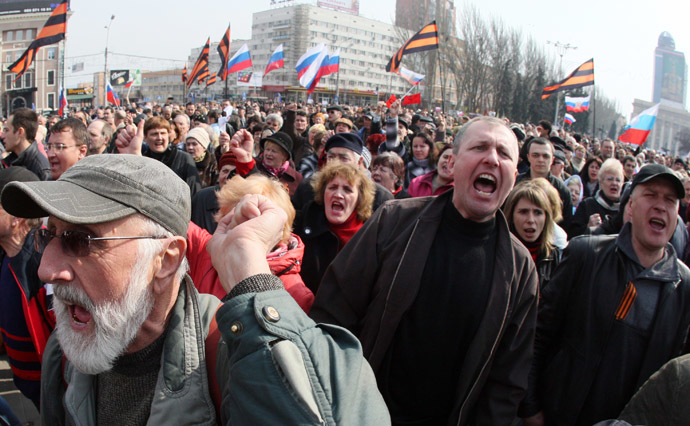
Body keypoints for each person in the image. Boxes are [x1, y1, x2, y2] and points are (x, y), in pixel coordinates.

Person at [1, 154, 389, 425]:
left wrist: (248, 272)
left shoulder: (230, 355)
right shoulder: (65, 350)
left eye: (80, 240)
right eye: (48, 235)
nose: (48, 269)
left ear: (166, 260)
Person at [311, 116, 539, 425]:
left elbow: (506, 381)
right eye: (480, 147)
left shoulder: (521, 269)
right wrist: (336, 400)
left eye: (504, 153)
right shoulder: (393, 222)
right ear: (452, 163)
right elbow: (334, 314)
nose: (492, 158)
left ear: (514, 175)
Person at [520, 164, 690, 426]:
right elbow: (539, 333)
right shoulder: (586, 255)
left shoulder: (684, 286)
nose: (660, 206)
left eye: (670, 200)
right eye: (651, 195)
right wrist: (530, 407)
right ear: (630, 207)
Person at [187, 174, 314, 313]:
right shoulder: (206, 249)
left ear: (277, 229)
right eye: (232, 215)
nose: (240, 231)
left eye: (251, 220)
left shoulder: (296, 293)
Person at [0, 167, 54, 408]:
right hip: (29, 384)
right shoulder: (6, 255)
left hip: (51, 388)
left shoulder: (41, 261)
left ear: (16, 217)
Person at [294, 162, 375, 293]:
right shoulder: (306, 219)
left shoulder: (371, 238)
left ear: (360, 198)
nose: (338, 194)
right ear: (323, 192)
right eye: (332, 187)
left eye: (347, 189)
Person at [117, 116, 201, 196]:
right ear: (145, 137)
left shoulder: (183, 158)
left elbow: (194, 193)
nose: (159, 137)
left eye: (163, 133)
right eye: (154, 134)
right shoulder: (141, 158)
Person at [503, 179, 562, 290]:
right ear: (511, 216)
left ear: (546, 218)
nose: (531, 220)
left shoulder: (556, 258)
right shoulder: (498, 253)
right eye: (524, 212)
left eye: (538, 213)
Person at [516, 138, 574, 225]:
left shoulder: (562, 190)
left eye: (545, 156)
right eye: (535, 155)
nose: (540, 160)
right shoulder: (515, 184)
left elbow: (566, 224)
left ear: (552, 159)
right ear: (528, 157)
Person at [230, 130, 303, 196]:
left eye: (274, 151)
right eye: (267, 149)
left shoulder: (297, 178)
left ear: (284, 156)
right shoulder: (253, 165)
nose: (268, 153)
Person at [567, 158, 623, 239]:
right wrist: (588, 228)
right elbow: (571, 236)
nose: (614, 183)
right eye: (610, 179)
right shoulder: (587, 205)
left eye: (618, 180)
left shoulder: (624, 210)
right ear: (601, 182)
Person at [190, 152, 236, 234]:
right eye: (225, 171)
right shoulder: (201, 199)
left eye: (234, 173)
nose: (227, 177)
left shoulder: (247, 203)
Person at [0, 108, 51, 180]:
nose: (2, 136)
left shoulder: (41, 170)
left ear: (20, 132)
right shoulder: (9, 162)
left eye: (7, 130)